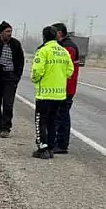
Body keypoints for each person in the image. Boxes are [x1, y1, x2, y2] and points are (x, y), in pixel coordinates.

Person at [31, 26, 75, 159]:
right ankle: (50, 147)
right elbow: (70, 71)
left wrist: (36, 79)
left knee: (41, 121)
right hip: (59, 94)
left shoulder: (43, 51)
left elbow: (37, 71)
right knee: (53, 122)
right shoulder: (63, 51)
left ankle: (42, 148)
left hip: (44, 93)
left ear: (44, 37)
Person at [0, 21, 24, 137]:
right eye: (7, 32)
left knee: (8, 103)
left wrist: (16, 77)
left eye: (10, 31)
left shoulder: (16, 44)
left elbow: (20, 61)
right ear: (1, 32)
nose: (9, 34)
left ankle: (6, 128)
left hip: (10, 78)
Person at [51, 22, 82, 154]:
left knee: (62, 115)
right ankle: (59, 142)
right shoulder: (63, 46)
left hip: (66, 87)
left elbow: (64, 68)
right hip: (62, 86)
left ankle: (62, 144)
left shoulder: (69, 48)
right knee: (60, 114)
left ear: (59, 33)